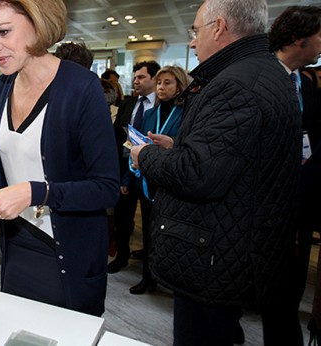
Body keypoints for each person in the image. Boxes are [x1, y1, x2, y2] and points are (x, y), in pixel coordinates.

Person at [129, 0, 300, 344]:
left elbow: (198, 174)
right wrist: (177, 149)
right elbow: (234, 158)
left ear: (220, 28)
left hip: (213, 253)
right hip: (237, 243)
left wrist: (144, 155)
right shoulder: (267, 73)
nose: (192, 42)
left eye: (196, 31)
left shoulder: (234, 84)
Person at [0, 0, 120, 316]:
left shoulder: (81, 87)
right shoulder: (3, 86)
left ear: (38, 22)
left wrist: (36, 191)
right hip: (17, 243)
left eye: (4, 31)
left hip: (67, 251)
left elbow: (106, 187)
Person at [265, 6, 321, 345]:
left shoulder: (307, 83)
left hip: (301, 199)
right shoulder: (261, 78)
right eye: (319, 38)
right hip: (266, 204)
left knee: (290, 282)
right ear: (300, 39)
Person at [121, 65, 188, 295]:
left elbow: (192, 148)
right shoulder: (150, 114)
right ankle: (148, 278)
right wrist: (128, 177)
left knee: (169, 235)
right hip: (148, 183)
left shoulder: (187, 113)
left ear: (180, 85)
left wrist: (173, 143)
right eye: (159, 83)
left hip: (173, 184)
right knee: (149, 233)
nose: (161, 87)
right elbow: (135, 145)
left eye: (167, 83)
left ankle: (171, 279)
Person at [108, 60, 160, 274]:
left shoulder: (162, 105)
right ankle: (121, 256)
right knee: (123, 218)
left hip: (150, 173)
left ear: (154, 79)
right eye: (135, 77)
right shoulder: (129, 104)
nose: (136, 81)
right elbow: (117, 134)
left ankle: (149, 269)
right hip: (125, 169)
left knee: (149, 222)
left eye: (141, 77)